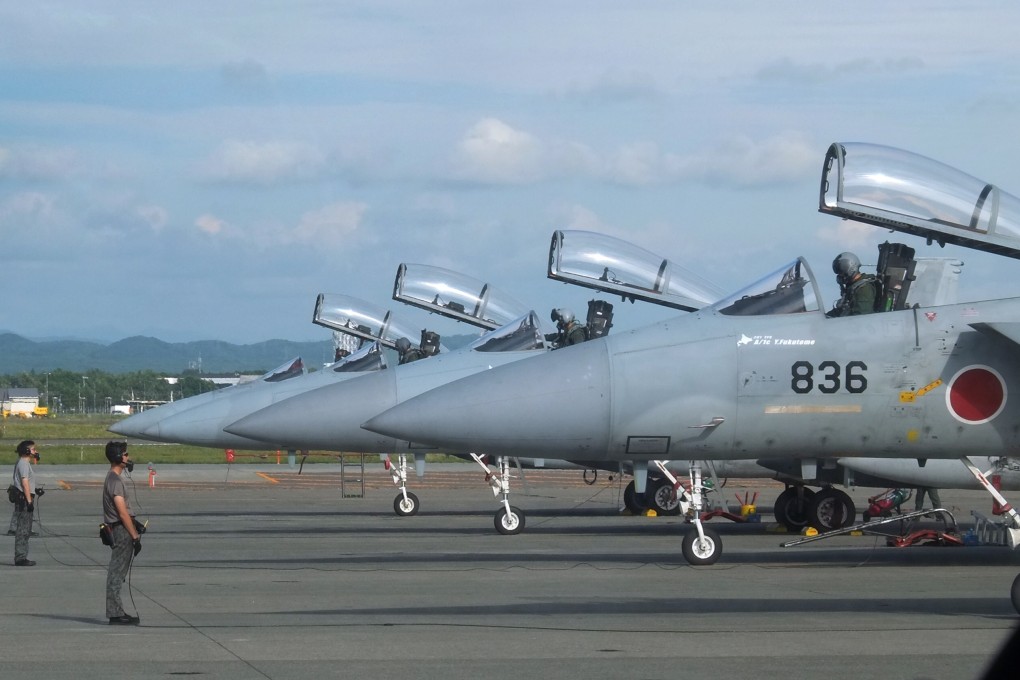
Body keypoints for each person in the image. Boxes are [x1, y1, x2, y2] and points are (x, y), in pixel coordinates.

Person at [103, 441, 142, 625]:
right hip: (121, 530)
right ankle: (115, 613)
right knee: (116, 573)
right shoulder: (115, 481)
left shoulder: (112, 478)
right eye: (125, 454)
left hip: (122, 526)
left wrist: (136, 524)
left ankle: (116, 611)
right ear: (119, 457)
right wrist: (134, 535)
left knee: (118, 572)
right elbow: (121, 512)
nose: (128, 457)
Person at [11, 440, 39, 566]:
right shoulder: (23, 464)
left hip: (25, 497)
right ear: (27, 451)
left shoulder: (24, 463)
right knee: (23, 529)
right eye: (33, 449)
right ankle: (20, 557)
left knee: (25, 529)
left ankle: (21, 556)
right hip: (24, 500)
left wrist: (35, 490)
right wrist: (29, 501)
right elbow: (24, 482)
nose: (35, 451)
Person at [828, 251, 879, 317]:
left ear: (852, 267)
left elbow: (861, 317)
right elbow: (841, 310)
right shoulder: (852, 287)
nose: (840, 275)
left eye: (842, 272)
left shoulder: (864, 289)